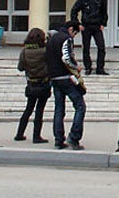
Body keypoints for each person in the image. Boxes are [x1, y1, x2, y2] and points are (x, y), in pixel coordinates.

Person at [46, 21, 86, 150]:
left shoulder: (52, 38)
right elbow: (66, 58)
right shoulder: (66, 39)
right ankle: (74, 138)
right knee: (80, 106)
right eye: (74, 33)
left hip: (54, 77)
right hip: (65, 78)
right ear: (70, 29)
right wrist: (76, 67)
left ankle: (58, 140)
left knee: (59, 109)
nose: (74, 36)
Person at [14, 28, 50, 144]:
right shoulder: (45, 51)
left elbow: (20, 67)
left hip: (31, 83)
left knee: (28, 109)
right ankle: (36, 136)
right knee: (39, 110)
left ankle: (19, 133)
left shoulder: (24, 51)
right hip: (43, 83)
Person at [71, 0, 109, 75]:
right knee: (86, 47)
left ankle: (100, 68)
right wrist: (78, 24)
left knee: (101, 47)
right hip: (86, 26)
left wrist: (103, 23)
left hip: (97, 25)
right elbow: (74, 11)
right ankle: (88, 67)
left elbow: (104, 11)